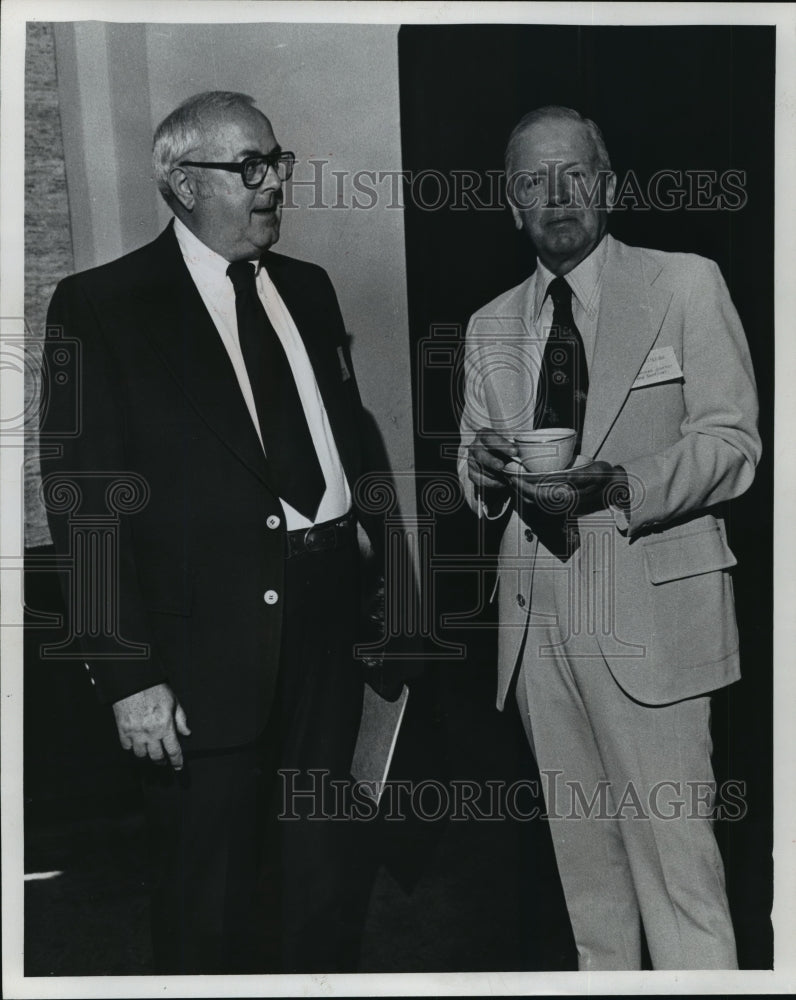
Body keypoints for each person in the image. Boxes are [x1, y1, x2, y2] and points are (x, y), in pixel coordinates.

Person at [41, 90, 386, 974]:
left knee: (324, 875)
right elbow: (84, 498)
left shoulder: (306, 289)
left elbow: (345, 435)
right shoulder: (103, 307)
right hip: (202, 653)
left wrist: (375, 566)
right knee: (210, 893)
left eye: (276, 161)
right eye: (248, 168)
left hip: (326, 627)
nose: (273, 185)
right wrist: (127, 673)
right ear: (182, 183)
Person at [458, 106, 760, 970]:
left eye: (573, 173)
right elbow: (476, 471)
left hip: (655, 621)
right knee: (589, 889)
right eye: (531, 181)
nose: (556, 195)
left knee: (681, 880)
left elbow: (733, 444)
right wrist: (478, 469)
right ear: (510, 204)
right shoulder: (488, 327)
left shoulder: (685, 284)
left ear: (609, 185)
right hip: (539, 632)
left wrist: (624, 483)